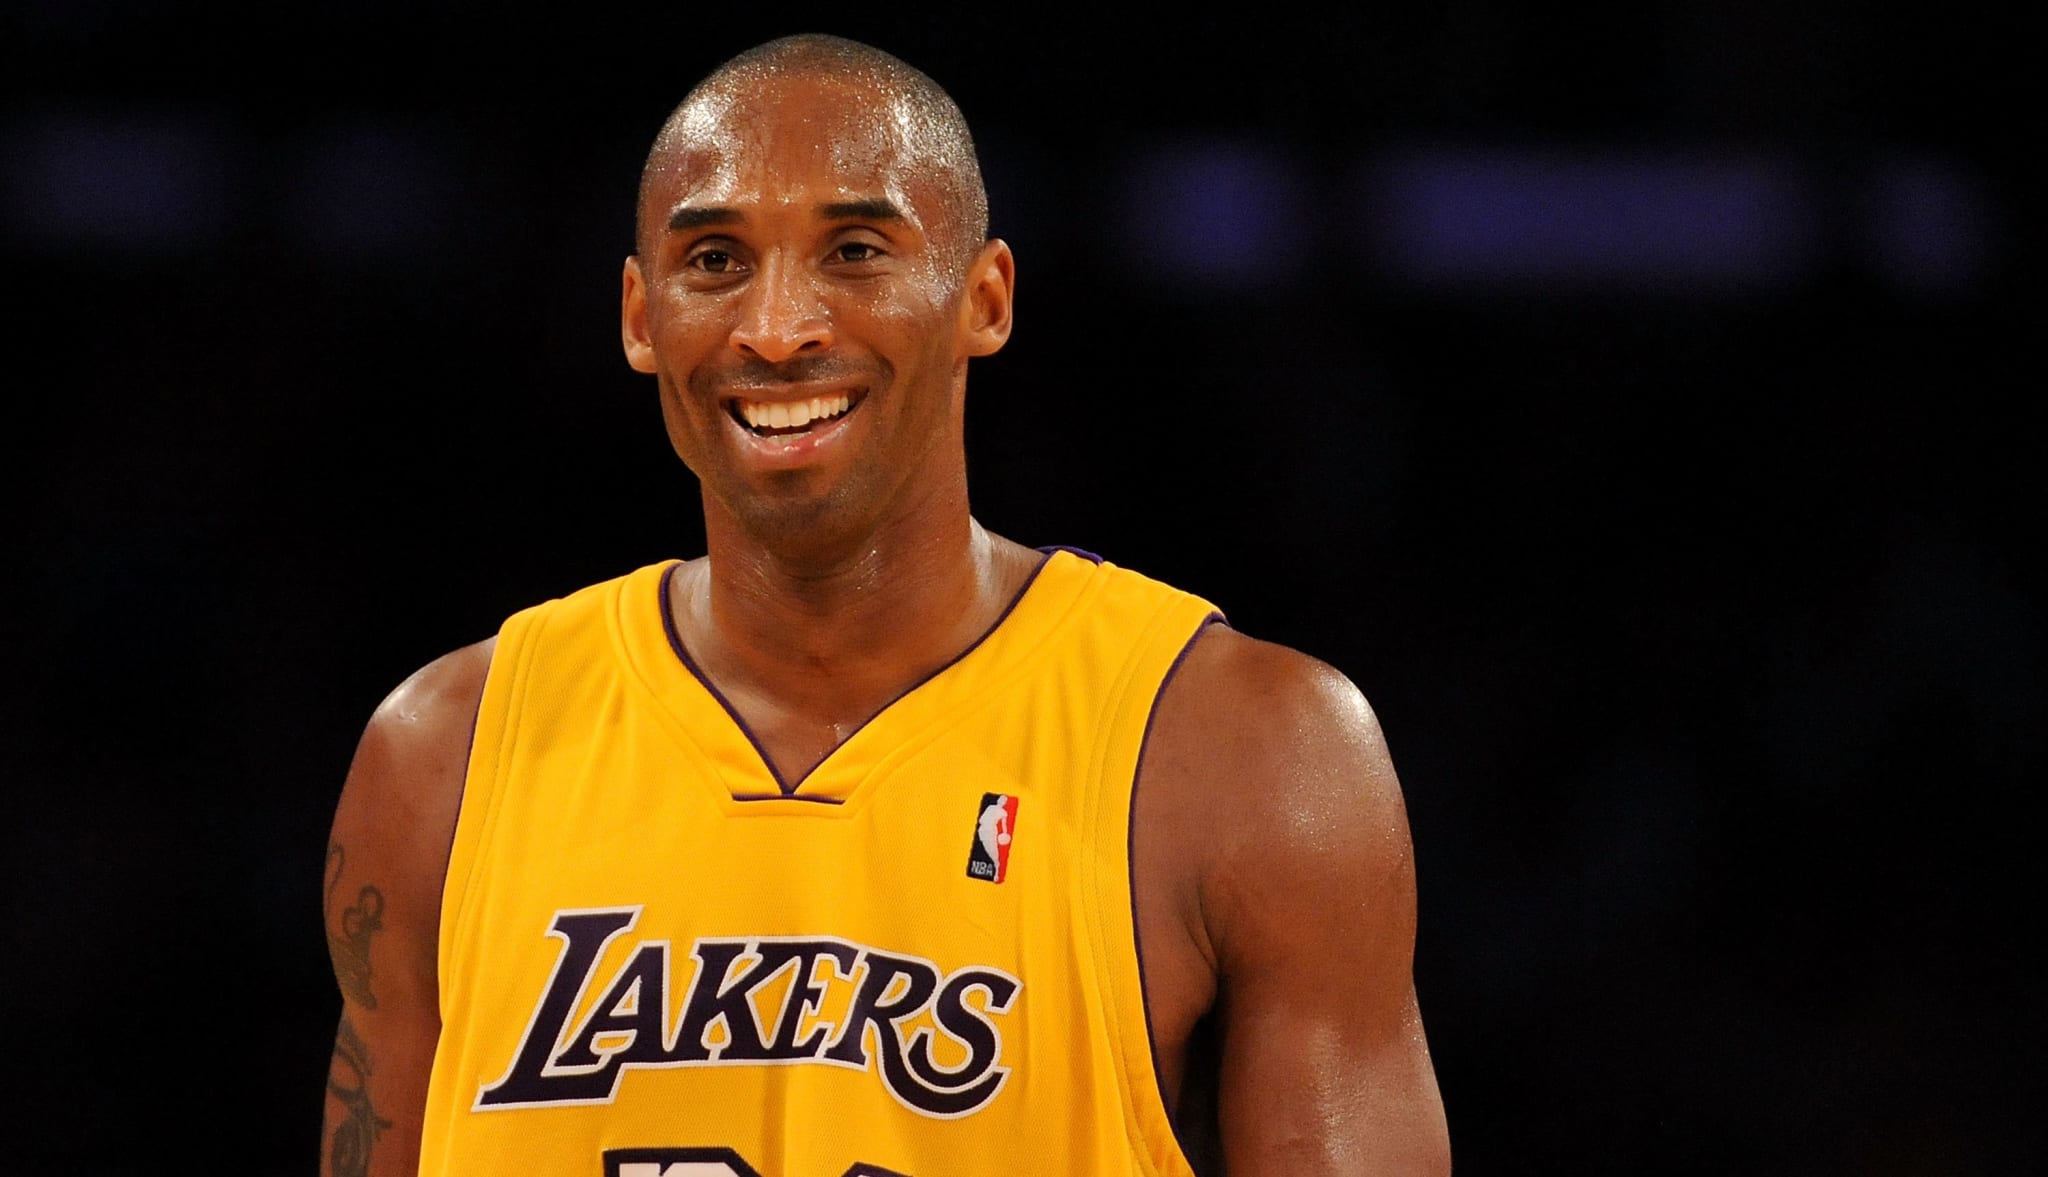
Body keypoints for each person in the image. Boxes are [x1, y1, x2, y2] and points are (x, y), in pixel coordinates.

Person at [318, 32, 1449, 1177]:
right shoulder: (443, 758)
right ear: (639, 317)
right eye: (712, 260)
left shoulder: (1248, 754)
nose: (776, 328)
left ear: (985, 298)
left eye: (853, 250)